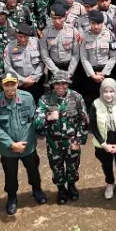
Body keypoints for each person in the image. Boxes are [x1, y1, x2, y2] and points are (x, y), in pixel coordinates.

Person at [0, 73, 46, 215]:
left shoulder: (27, 97)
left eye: (12, 84)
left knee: (33, 170)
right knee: (10, 174)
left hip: (27, 145)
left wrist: (22, 143)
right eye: (7, 84)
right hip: (8, 149)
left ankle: (37, 190)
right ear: (2, 85)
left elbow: (31, 120)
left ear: (17, 84)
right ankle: (12, 197)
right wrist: (12, 144)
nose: (10, 88)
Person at [35, 71, 89, 204]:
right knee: (56, 167)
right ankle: (61, 189)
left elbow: (84, 119)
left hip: (72, 141)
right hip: (54, 142)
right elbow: (37, 122)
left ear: (67, 84)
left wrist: (79, 140)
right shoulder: (45, 99)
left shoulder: (76, 97)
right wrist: (47, 117)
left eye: (64, 83)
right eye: (57, 84)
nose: (60, 86)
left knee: (73, 166)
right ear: (53, 84)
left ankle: (71, 187)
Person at [90, 78, 116, 199]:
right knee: (106, 165)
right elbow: (93, 126)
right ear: (101, 92)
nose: (108, 94)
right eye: (105, 91)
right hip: (103, 142)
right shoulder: (95, 104)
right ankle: (109, 183)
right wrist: (103, 144)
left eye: (112, 91)